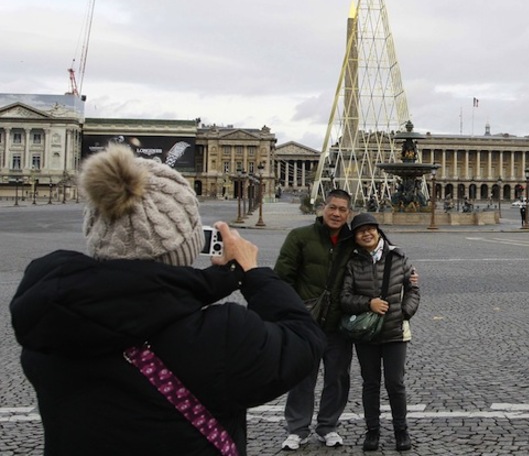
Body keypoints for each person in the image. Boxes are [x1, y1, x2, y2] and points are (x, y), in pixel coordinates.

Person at [9, 143, 323, 456]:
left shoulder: (47, 319)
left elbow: (142, 296)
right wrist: (252, 273)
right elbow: (304, 339)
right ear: (187, 241)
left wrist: (214, 282)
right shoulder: (220, 336)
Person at [273, 189, 356, 449]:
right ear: (323, 207)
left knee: (337, 377)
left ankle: (328, 426)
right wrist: (290, 314)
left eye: (342, 209)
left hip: (338, 323)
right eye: (333, 207)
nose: (337, 213)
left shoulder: (353, 241)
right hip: (305, 323)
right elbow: (282, 278)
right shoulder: (300, 237)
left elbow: (379, 261)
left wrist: (408, 276)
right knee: (301, 377)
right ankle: (297, 428)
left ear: (349, 213)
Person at [340, 213, 420, 452]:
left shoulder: (399, 256)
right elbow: (344, 298)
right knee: (370, 383)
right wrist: (368, 304)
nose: (366, 234)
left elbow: (413, 289)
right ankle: (372, 431)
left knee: (395, 383)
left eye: (370, 229)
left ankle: (401, 430)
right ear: (355, 237)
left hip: (395, 331)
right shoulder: (353, 263)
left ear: (378, 231)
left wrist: (405, 312)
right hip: (367, 333)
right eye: (360, 231)